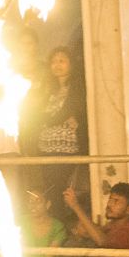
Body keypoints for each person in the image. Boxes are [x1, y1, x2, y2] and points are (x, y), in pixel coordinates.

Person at [30, 47, 87, 212]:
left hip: (66, 148)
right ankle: (57, 225)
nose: (57, 65)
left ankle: (60, 227)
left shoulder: (77, 87)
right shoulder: (47, 89)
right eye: (54, 61)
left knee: (58, 190)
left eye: (62, 61)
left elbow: (65, 113)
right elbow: (34, 113)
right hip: (46, 148)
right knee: (50, 190)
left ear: (71, 64)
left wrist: (45, 120)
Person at [19, 188, 68, 257]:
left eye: (38, 202)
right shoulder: (20, 222)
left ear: (48, 204)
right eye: (30, 202)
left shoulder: (57, 226)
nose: (32, 206)